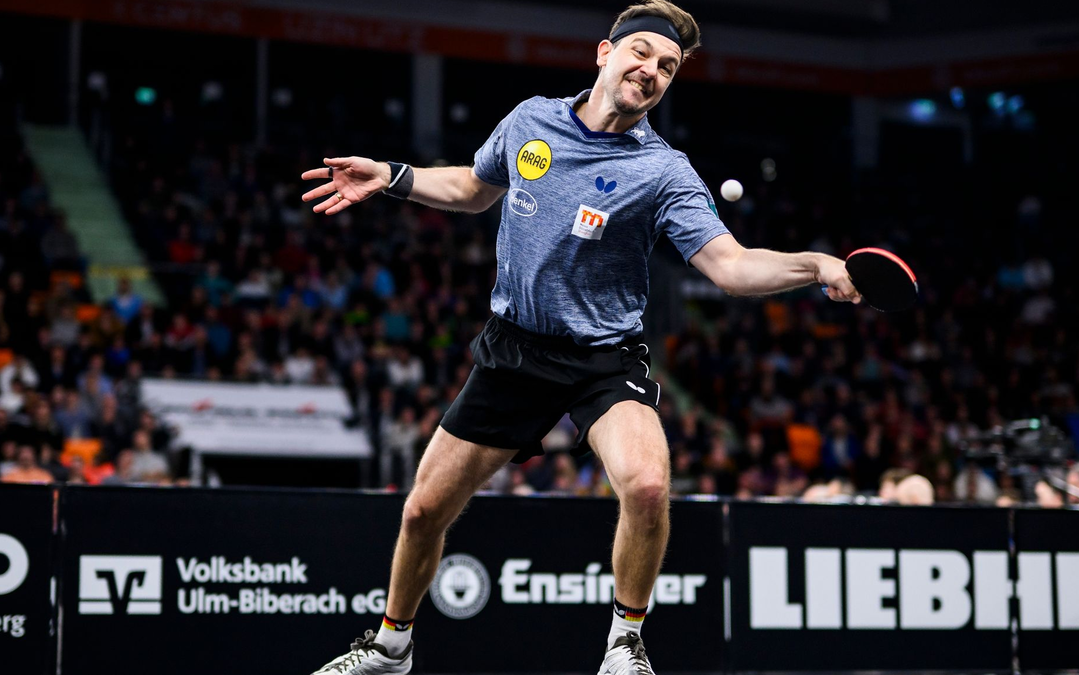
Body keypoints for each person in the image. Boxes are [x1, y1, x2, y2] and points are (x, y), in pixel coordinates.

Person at [300, 2, 859, 673]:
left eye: (667, 67)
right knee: (422, 510)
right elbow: (476, 190)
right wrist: (392, 175)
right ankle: (392, 645)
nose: (651, 71)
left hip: (602, 358)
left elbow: (730, 266)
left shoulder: (663, 172)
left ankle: (625, 642)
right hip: (513, 349)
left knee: (648, 486)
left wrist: (816, 265)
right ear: (604, 53)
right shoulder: (531, 119)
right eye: (642, 53)